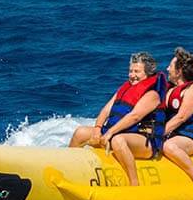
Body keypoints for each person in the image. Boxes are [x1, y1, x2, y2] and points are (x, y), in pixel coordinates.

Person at [69, 52, 164, 186]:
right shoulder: (124, 89)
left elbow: (134, 117)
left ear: (147, 73)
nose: (132, 75)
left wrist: (109, 133)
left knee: (118, 140)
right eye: (130, 71)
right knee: (81, 132)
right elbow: (106, 109)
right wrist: (97, 129)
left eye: (137, 71)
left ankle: (134, 183)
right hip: (115, 133)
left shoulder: (152, 95)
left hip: (144, 141)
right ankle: (71, 170)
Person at [159, 47, 193, 182]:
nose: (167, 69)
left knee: (169, 146)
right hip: (172, 135)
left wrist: (158, 134)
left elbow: (181, 117)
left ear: (179, 71)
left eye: (170, 66)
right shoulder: (170, 89)